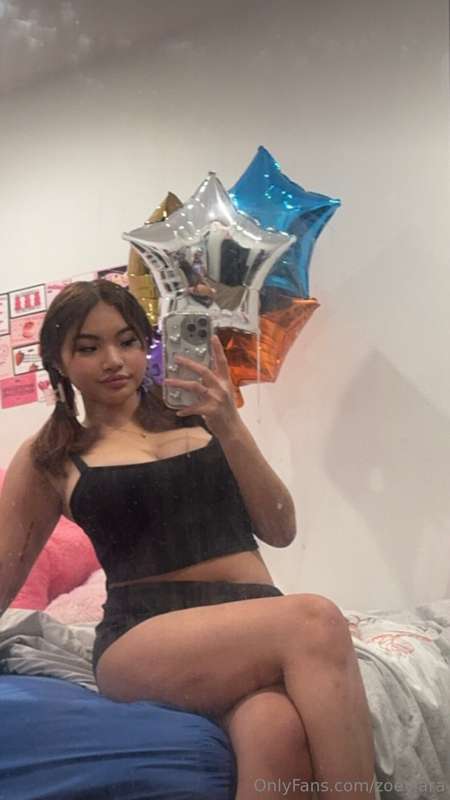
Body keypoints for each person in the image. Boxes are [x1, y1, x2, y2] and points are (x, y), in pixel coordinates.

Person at [0, 279, 377, 800]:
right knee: (315, 619)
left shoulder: (204, 418)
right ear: (58, 361)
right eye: (88, 348)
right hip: (145, 635)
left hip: (251, 622)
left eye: (128, 341)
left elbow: (280, 529)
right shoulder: (50, 454)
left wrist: (229, 424)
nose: (114, 360)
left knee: (276, 730)